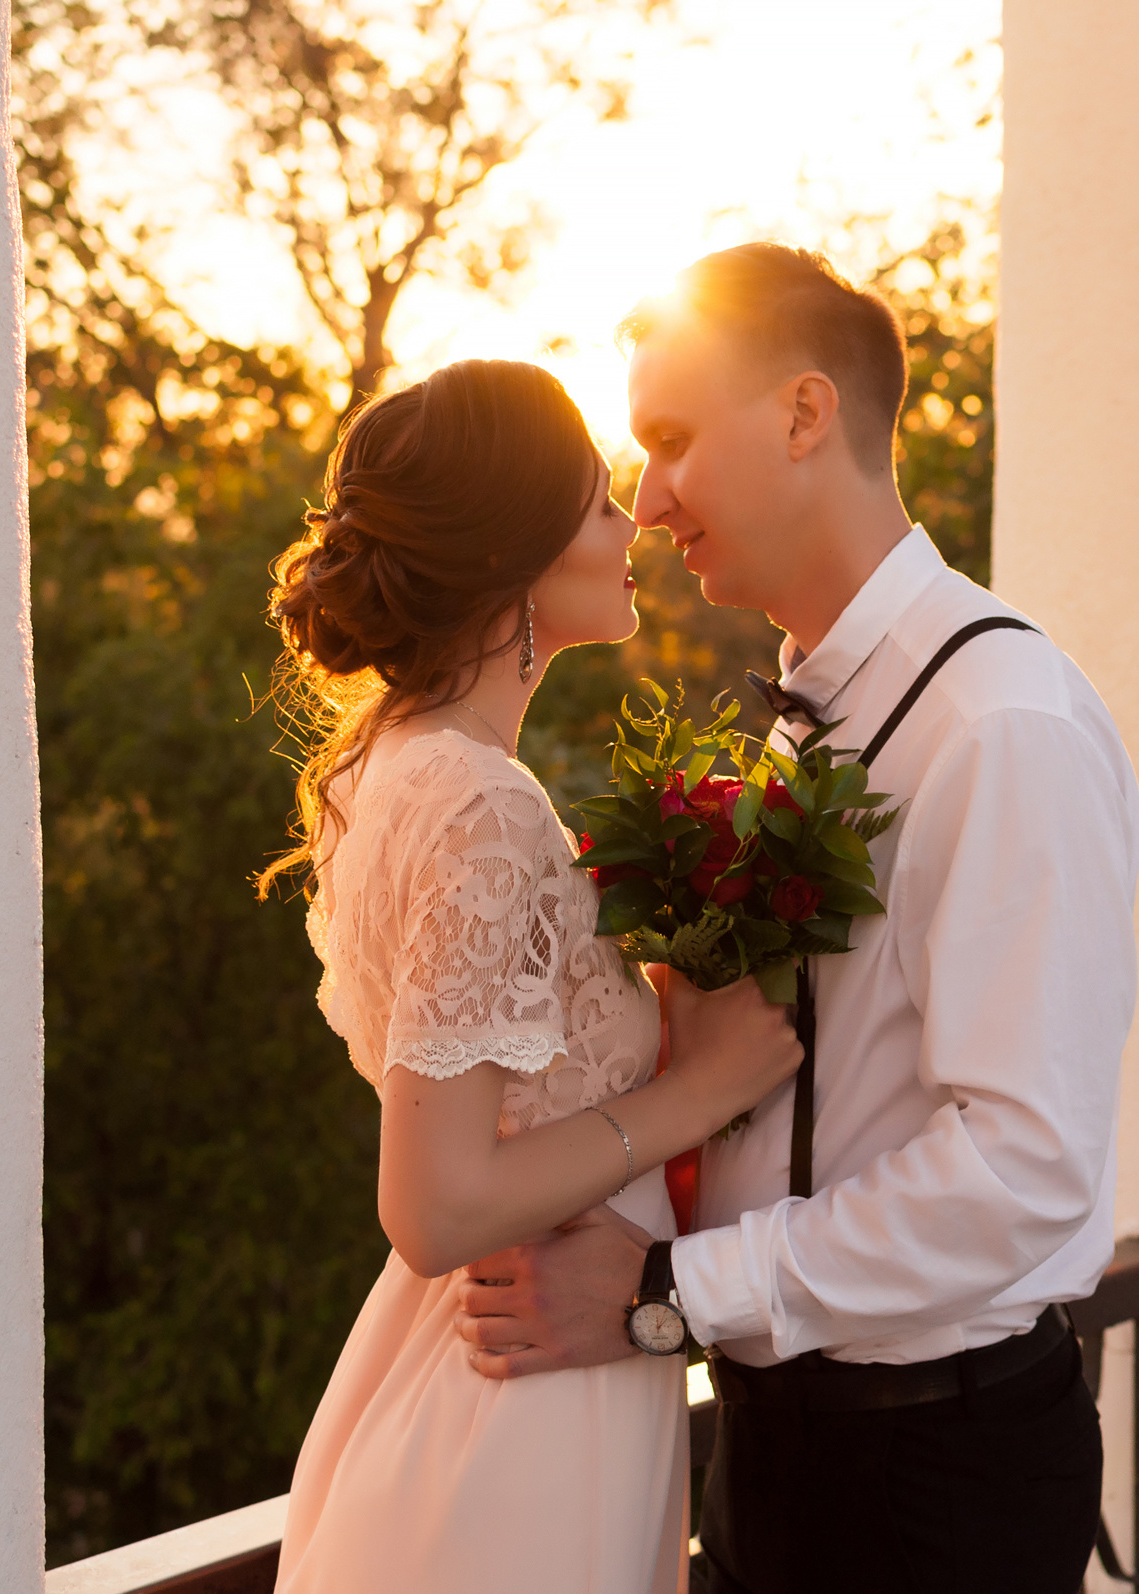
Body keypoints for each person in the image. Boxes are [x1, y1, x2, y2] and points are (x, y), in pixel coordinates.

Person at [454, 245, 1139, 1593]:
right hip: (782, 1450)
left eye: (668, 442)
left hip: (933, 1478)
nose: (645, 502)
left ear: (803, 415)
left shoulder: (1002, 725)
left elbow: (1025, 1165)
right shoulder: (808, 716)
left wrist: (666, 1288)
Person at [260, 358, 804, 1594]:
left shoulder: (397, 767)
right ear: (514, 545)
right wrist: (695, 1089)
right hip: (513, 1409)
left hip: (506, 1364)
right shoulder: (479, 805)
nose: (634, 530)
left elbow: (510, 1073)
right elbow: (436, 1203)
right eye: (602, 502)